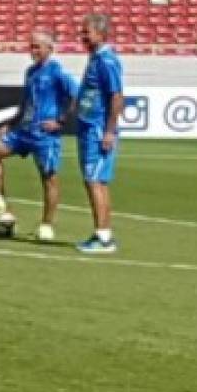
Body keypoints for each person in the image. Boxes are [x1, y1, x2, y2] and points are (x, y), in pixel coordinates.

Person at [0, 30, 78, 242]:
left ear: (49, 49)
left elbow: (75, 96)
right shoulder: (30, 72)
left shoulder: (58, 72)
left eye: (37, 47)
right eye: (31, 46)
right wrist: (10, 124)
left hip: (45, 135)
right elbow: (25, 103)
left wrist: (60, 121)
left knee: (49, 179)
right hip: (24, 131)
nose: (32, 51)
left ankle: (46, 225)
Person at [75, 13, 124, 254]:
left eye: (87, 32)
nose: (82, 36)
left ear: (102, 34)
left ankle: (103, 238)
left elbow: (116, 96)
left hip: (97, 130)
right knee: (96, 182)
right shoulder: (95, 58)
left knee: (95, 182)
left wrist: (109, 131)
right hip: (87, 127)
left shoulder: (107, 60)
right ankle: (103, 234)